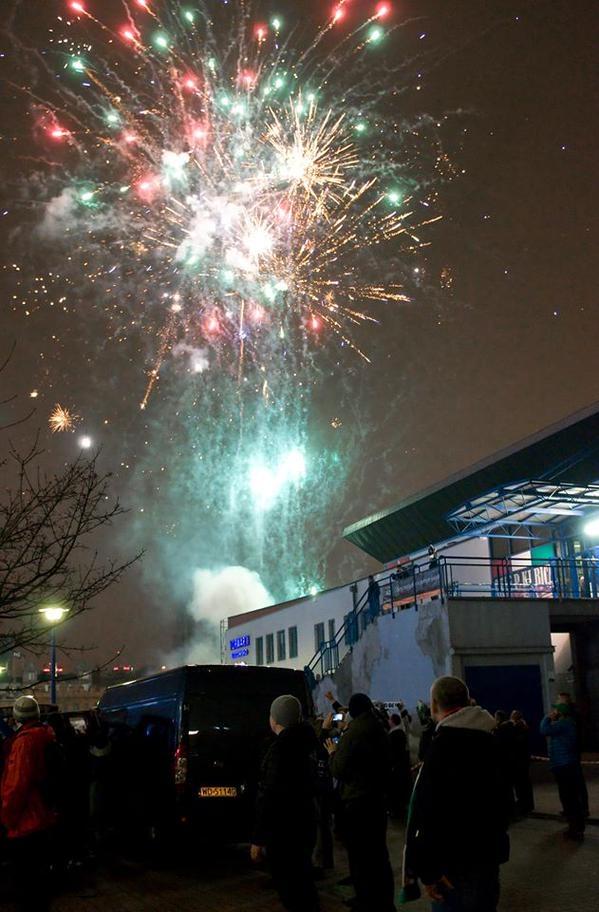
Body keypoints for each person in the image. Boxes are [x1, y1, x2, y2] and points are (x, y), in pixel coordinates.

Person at [403, 676, 510, 911]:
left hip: (452, 869)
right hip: (487, 859)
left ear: (433, 705)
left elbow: (428, 814)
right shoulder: (491, 739)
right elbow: (505, 802)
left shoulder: (441, 748)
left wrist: (428, 871)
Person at [325, 692, 396, 912]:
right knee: (378, 854)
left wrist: (332, 753)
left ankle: (365, 899)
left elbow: (339, 768)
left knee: (359, 855)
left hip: (357, 801)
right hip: (376, 799)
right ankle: (383, 900)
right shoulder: (379, 728)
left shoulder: (354, 732)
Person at [251, 695, 320, 912]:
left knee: (292, 891)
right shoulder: (308, 742)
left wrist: (259, 838)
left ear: (276, 719)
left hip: (284, 833)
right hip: (306, 824)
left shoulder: (281, 750)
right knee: (304, 884)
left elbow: (269, 796)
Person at [1, 696, 60, 912]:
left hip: (26, 824)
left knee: (26, 887)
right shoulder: (46, 735)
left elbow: (16, 786)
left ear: (16, 717)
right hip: (44, 818)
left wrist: (7, 818)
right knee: (39, 885)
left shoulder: (24, 742)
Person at [540, 702, 585, 840]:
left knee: (568, 798)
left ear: (560, 712)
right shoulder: (569, 724)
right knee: (572, 797)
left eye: (555, 710)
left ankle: (575, 828)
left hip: (563, 765)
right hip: (567, 764)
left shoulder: (563, 725)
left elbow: (544, 730)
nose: (553, 711)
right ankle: (577, 826)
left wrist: (547, 718)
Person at [557, 691, 589, 817]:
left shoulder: (571, 717)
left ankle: (581, 809)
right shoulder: (571, 715)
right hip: (570, 752)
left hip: (570, 753)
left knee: (575, 783)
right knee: (571, 784)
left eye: (559, 700)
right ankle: (573, 808)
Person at [388, 713, 412, 819]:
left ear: (392, 721)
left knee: (397, 790)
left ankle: (397, 812)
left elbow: (392, 753)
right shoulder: (401, 733)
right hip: (403, 766)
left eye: (389, 720)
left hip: (397, 767)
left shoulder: (394, 735)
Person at [509, 711, 534, 815]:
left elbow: (515, 743)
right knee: (525, 783)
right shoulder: (524, 727)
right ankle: (528, 804)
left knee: (521, 784)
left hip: (519, 760)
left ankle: (523, 804)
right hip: (524, 760)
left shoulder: (517, 729)